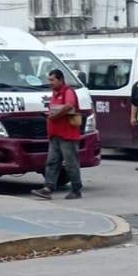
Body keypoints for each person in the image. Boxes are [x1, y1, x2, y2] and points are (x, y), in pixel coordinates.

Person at [31, 68, 84, 200]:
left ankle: (76, 189)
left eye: (52, 80)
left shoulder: (68, 92)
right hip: (55, 135)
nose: (50, 83)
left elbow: (70, 105)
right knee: (52, 162)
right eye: (49, 80)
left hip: (67, 135)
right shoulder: (55, 93)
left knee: (71, 163)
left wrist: (55, 115)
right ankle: (48, 188)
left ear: (60, 80)